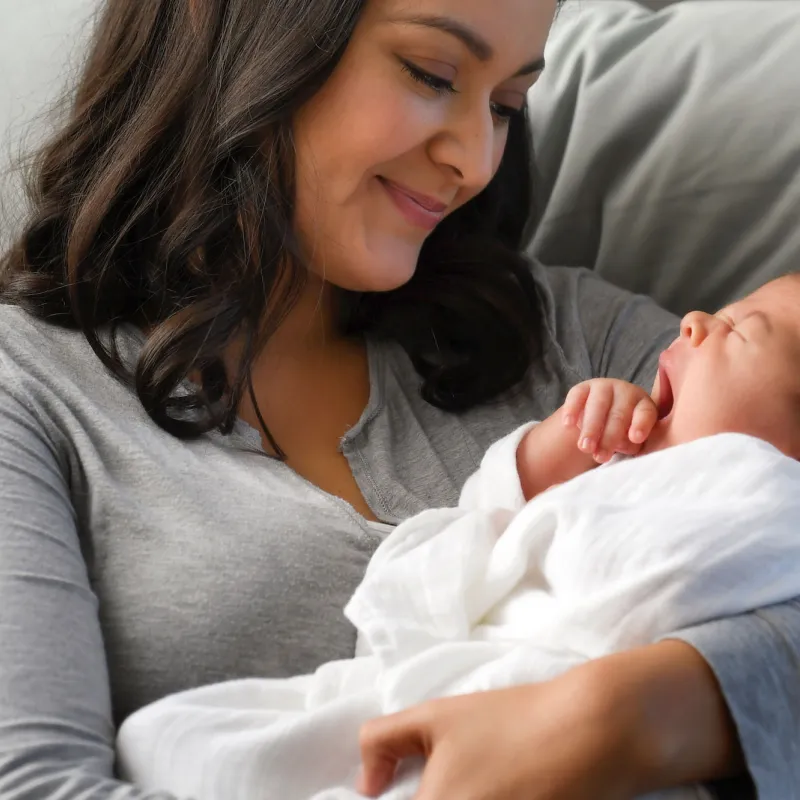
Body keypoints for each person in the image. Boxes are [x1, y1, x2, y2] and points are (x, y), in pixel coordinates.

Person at [0, 0, 797, 798]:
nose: (476, 161)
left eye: (505, 106)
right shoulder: (29, 390)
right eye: (433, 74)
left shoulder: (580, 343)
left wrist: (625, 717)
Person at [113, 273, 800, 800]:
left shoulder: (761, 489)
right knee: (169, 736)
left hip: (520, 701)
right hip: (412, 687)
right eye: (432, 78)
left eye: (744, 330)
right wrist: (540, 465)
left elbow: (622, 589)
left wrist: (616, 711)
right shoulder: (624, 451)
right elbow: (452, 553)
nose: (698, 319)